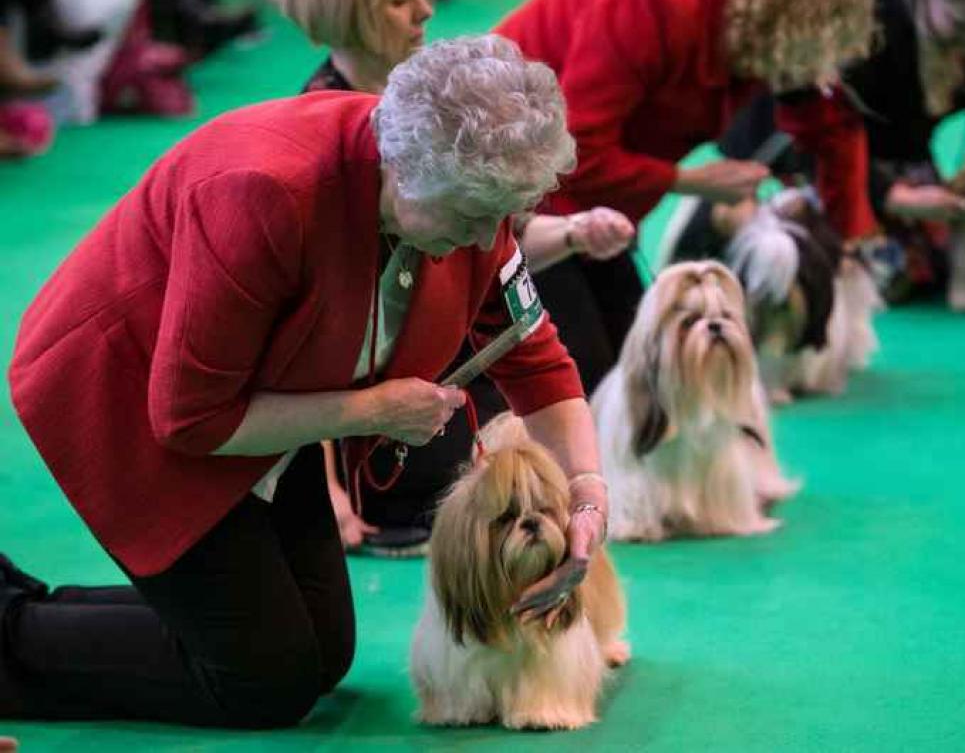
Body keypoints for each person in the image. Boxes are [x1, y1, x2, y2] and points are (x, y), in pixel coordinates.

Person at [0, 35, 609, 727]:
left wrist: (586, 492)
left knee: (323, 653)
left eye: (496, 220)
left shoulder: (471, 193)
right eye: (471, 219)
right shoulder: (265, 193)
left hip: (278, 396)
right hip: (128, 397)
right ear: (402, 172)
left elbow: (534, 357)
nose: (482, 241)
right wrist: (369, 408)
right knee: (265, 683)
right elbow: (190, 418)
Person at [274, 0, 633, 554]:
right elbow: (303, 355)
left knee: (581, 357)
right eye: (398, 0)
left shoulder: (452, 103)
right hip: (355, 384)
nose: (424, 10)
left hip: (436, 330)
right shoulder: (315, 151)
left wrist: (572, 232)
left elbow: (497, 248)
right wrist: (327, 491)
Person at [494, 0, 881, 392]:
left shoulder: (770, 36)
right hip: (514, 178)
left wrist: (848, 239)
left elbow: (830, 127)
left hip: (597, 201)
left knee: (648, 367)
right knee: (585, 375)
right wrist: (690, 181)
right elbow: (574, 153)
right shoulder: (645, 9)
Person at [670, 0, 965, 302]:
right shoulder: (873, 29)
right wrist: (895, 196)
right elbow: (821, 131)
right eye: (961, 27)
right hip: (787, 140)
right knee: (880, 274)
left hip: (898, 150)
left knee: (939, 265)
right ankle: (722, 217)